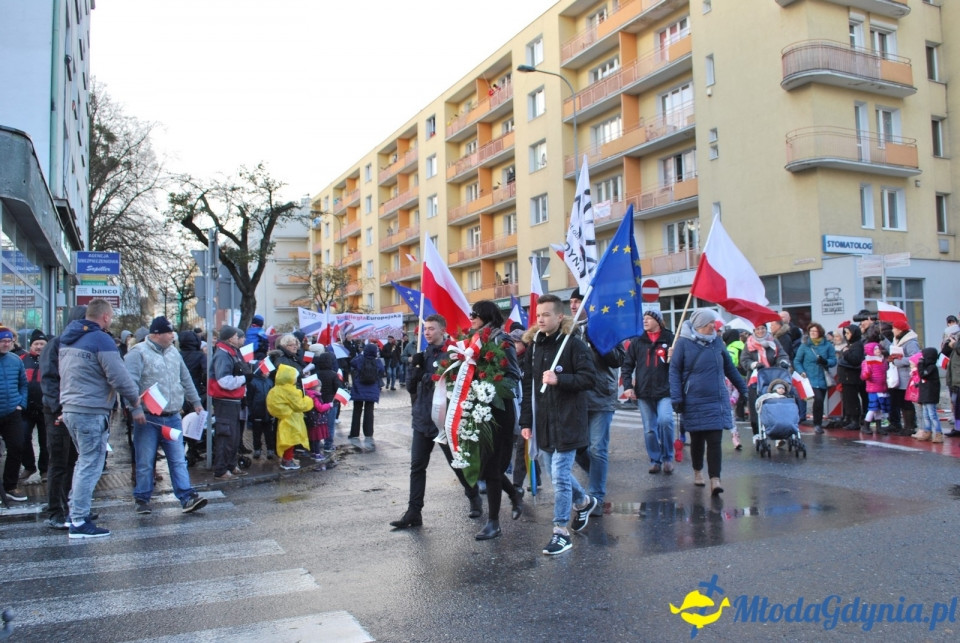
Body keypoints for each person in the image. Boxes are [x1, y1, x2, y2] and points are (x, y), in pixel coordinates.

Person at [519, 294, 599, 556]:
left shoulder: (573, 345)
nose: (540, 319)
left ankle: (560, 532)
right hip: (544, 423)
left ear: (559, 317)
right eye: (538, 315)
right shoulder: (534, 348)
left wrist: (560, 379)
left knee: (561, 477)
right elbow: (529, 388)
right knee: (556, 475)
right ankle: (584, 502)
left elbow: (589, 379)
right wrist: (526, 422)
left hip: (569, 422)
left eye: (546, 314)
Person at [59, 299, 145, 538]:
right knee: (90, 464)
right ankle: (79, 521)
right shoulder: (101, 339)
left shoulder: (69, 338)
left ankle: (74, 513)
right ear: (106, 317)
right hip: (90, 409)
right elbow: (119, 376)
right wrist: (134, 400)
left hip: (72, 407)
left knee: (83, 462)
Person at [390, 314, 485, 529]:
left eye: (431, 328)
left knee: (456, 463)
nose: (427, 332)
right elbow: (411, 388)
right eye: (425, 329)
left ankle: (473, 496)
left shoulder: (452, 354)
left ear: (442, 330)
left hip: (444, 420)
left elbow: (453, 384)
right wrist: (415, 368)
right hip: (422, 418)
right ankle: (414, 512)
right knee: (417, 467)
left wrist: (427, 374)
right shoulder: (421, 354)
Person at [124, 316, 207, 514]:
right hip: (148, 417)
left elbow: (185, 378)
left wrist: (196, 402)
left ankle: (187, 497)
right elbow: (129, 384)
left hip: (172, 416)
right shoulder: (138, 353)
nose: (172, 335)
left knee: (178, 458)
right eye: (169, 332)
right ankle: (142, 498)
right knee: (145, 459)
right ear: (156, 334)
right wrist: (134, 409)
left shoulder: (173, 353)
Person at [669, 309, 747, 496]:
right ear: (698, 325)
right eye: (708, 323)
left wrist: (744, 389)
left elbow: (730, 369)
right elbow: (674, 371)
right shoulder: (683, 343)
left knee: (715, 441)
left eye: (713, 323)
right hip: (693, 400)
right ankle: (697, 472)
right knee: (697, 440)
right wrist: (676, 397)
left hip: (716, 399)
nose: (713, 326)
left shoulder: (717, 343)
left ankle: (715, 479)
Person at [468, 300, 525, 541]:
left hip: (500, 410)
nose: (470, 318)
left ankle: (493, 523)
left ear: (485, 316)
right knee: (485, 466)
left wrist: (491, 383)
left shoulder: (503, 340)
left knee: (492, 468)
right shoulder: (474, 340)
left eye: (474, 314)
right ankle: (513, 495)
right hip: (481, 409)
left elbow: (514, 373)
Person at [569, 289, 624, 516]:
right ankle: (597, 474)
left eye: (577, 301)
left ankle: (596, 497)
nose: (573, 306)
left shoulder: (606, 327)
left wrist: (597, 339)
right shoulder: (568, 329)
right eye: (571, 302)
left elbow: (617, 358)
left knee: (597, 448)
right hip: (576, 396)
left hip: (601, 395)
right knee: (579, 448)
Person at [39, 306, 87, 528]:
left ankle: (71, 507)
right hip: (59, 411)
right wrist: (58, 409)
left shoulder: (82, 343)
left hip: (77, 410)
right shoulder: (56, 344)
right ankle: (55, 511)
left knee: (73, 461)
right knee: (58, 461)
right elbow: (49, 380)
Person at [623, 310, 675, 474]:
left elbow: (680, 365)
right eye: (643, 318)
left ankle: (668, 458)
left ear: (658, 321)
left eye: (649, 318)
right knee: (649, 429)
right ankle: (655, 460)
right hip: (644, 391)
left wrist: (675, 356)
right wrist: (628, 386)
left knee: (665, 421)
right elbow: (627, 365)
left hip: (665, 390)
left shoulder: (670, 338)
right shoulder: (637, 340)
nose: (645, 321)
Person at [209, 325, 251, 480]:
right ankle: (221, 469)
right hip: (225, 400)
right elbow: (224, 381)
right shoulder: (223, 354)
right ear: (229, 338)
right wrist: (246, 379)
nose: (239, 338)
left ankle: (231, 465)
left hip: (234, 399)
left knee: (234, 436)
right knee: (226, 435)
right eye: (236, 335)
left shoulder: (232, 352)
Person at [740, 324, 789, 438]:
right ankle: (757, 432)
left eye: (763, 328)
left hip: (772, 376)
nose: (760, 331)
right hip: (755, 378)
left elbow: (782, 354)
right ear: (754, 331)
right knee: (755, 405)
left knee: (776, 402)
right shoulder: (749, 343)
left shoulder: (774, 341)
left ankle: (779, 432)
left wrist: (783, 362)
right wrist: (754, 364)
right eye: (758, 329)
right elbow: (744, 360)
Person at [0, 326, 29, 502]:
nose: (6, 344)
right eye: (2, 341)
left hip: (12, 412)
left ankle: (10, 485)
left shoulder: (15, 360)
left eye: (8, 341)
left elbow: (23, 384)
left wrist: (21, 404)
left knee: (17, 446)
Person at [267, 364, 313, 471]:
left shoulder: (276, 388)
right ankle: (287, 461)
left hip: (283, 418)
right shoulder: (290, 390)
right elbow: (300, 405)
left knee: (286, 439)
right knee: (290, 440)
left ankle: (287, 459)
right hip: (291, 418)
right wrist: (308, 400)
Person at [793, 322, 837, 434]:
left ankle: (818, 422)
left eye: (815, 331)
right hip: (809, 378)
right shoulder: (805, 345)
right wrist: (801, 371)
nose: (812, 333)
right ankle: (817, 424)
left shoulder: (827, 345)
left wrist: (825, 361)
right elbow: (797, 361)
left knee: (820, 401)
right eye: (811, 331)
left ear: (820, 333)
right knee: (817, 399)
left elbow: (833, 360)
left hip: (823, 378)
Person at [19, 330, 48, 486]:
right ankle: (29, 466)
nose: (39, 347)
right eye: (36, 344)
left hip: (45, 408)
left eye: (42, 344)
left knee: (45, 440)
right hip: (25, 408)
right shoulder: (21, 360)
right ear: (31, 345)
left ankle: (45, 469)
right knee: (23, 437)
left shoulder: (52, 360)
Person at [887, 320, 920, 435]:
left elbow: (915, 358)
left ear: (900, 330)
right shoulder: (896, 340)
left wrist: (897, 361)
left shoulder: (911, 342)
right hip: (897, 377)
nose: (892, 330)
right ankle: (905, 426)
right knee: (900, 401)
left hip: (906, 377)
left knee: (906, 402)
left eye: (894, 328)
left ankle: (910, 427)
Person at [349, 343, 384, 450]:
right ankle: (368, 433)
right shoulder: (378, 362)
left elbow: (352, 362)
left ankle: (354, 433)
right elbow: (382, 371)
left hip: (358, 389)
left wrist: (361, 354)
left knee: (357, 411)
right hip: (372, 389)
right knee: (369, 412)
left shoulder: (360, 360)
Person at [836, 325, 865, 430]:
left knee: (852, 400)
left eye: (848, 333)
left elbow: (855, 360)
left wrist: (846, 352)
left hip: (851, 377)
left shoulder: (857, 345)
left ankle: (855, 420)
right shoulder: (851, 344)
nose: (846, 335)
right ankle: (849, 418)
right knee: (848, 399)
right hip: (846, 377)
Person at [246, 361, 276, 460]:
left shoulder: (269, 382)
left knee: (269, 433)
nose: (268, 373)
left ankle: (270, 449)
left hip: (268, 411)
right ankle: (257, 449)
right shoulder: (253, 382)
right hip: (257, 411)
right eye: (266, 371)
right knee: (257, 433)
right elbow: (249, 398)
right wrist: (251, 411)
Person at [912, 348, 943, 442]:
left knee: (932, 414)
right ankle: (927, 431)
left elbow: (922, 374)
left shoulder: (932, 367)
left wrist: (920, 364)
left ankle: (938, 433)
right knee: (926, 414)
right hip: (925, 394)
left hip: (930, 395)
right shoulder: (928, 367)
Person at [860, 342, 890, 435]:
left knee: (879, 408)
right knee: (873, 408)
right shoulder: (867, 362)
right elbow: (863, 376)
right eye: (875, 349)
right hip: (873, 388)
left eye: (879, 349)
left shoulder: (883, 361)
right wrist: (867, 374)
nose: (878, 351)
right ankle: (866, 425)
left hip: (882, 387)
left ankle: (879, 426)